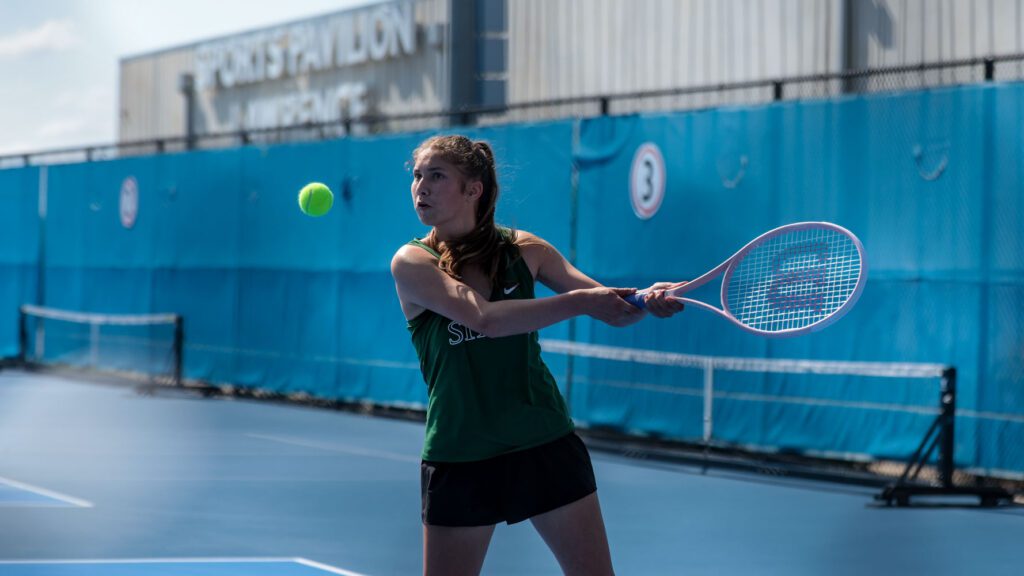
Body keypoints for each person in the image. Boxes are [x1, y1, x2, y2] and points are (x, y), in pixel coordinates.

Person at [390, 134, 684, 576]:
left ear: (473, 189)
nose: (421, 187)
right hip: (461, 450)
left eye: (436, 176)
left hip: (542, 440)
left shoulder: (526, 250)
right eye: (417, 176)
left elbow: (614, 309)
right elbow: (485, 319)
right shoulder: (413, 262)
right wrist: (582, 303)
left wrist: (646, 299)